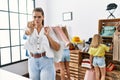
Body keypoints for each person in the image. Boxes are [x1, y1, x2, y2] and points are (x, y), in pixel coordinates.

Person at [24, 7, 60, 80]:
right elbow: (26, 34)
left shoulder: (48, 30)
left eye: (39, 17)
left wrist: (47, 35)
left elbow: (57, 47)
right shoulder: (28, 29)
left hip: (46, 61)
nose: (37, 19)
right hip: (32, 61)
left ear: (43, 17)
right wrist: (30, 30)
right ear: (32, 17)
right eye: (34, 17)